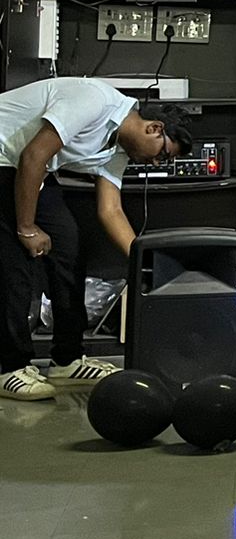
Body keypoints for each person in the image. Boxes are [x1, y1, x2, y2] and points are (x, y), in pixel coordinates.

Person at [0, 78, 192, 400]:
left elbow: (110, 210)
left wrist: (145, 264)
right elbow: (33, 156)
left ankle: (67, 360)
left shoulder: (117, 149)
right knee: (15, 262)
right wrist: (27, 228)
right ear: (154, 128)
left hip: (27, 167)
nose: (157, 163)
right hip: (7, 158)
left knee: (69, 248)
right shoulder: (95, 101)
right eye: (162, 154)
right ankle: (9, 367)